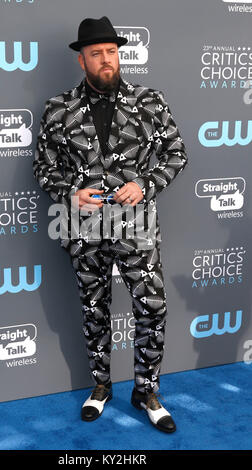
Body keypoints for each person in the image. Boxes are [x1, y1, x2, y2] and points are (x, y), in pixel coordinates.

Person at [33, 16, 188, 433]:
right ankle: (101, 386)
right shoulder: (57, 108)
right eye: (97, 53)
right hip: (83, 231)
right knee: (93, 311)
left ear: (120, 55)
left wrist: (145, 184)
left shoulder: (150, 101)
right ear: (81, 60)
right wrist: (69, 193)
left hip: (137, 228)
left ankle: (147, 391)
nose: (106, 60)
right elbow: (43, 167)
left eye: (112, 52)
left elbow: (176, 153)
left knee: (151, 309)